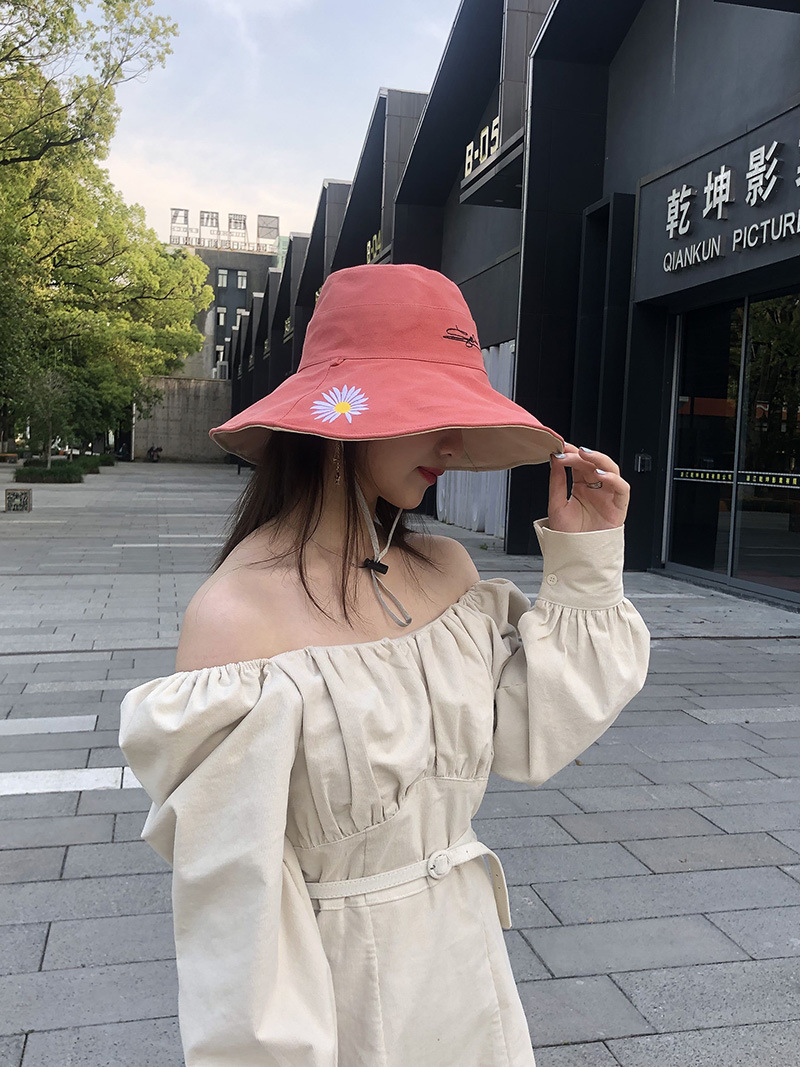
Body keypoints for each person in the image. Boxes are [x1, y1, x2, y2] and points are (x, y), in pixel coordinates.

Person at [119, 264, 650, 1067]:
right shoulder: (235, 617)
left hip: (471, 980)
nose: (452, 442)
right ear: (341, 416)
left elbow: (536, 732)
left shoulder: (446, 572)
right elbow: (236, 908)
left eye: (457, 413)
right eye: (426, 410)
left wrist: (584, 564)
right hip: (346, 1005)